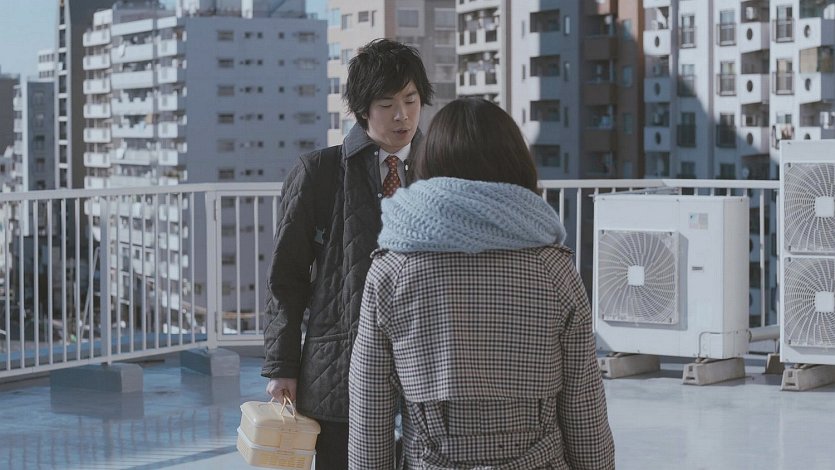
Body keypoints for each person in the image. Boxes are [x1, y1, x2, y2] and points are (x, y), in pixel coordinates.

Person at [348, 98, 615, 469]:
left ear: (430, 163)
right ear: (516, 163)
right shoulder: (554, 269)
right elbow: (583, 404)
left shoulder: (391, 272)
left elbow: (369, 410)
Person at [262, 38, 434, 469]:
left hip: (428, 371)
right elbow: (286, 277)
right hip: (340, 371)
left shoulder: (442, 169)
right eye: (386, 104)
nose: (402, 115)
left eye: (411, 100)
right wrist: (282, 366)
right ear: (361, 110)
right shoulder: (319, 172)